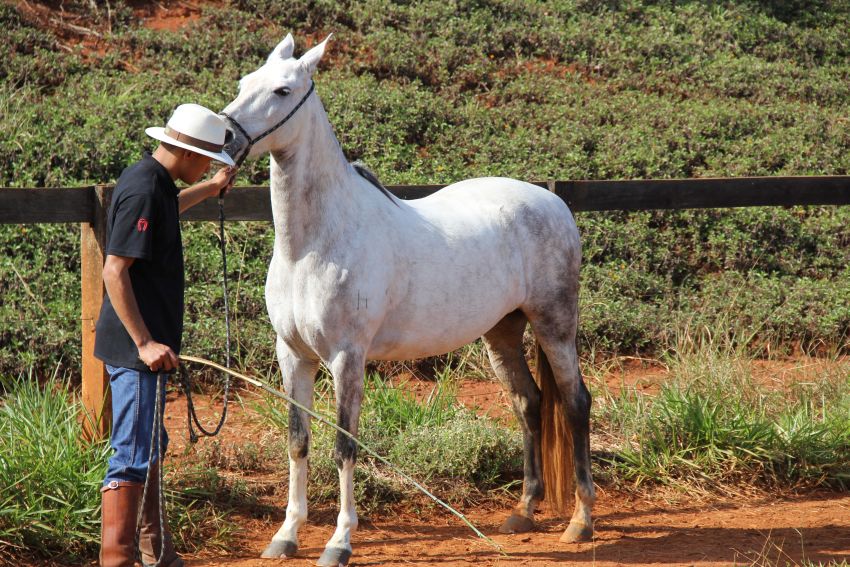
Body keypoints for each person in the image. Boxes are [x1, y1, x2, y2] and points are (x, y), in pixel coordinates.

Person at [94, 103, 236, 567]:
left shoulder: (155, 182)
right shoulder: (143, 189)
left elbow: (168, 210)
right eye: (208, 161)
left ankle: (156, 552)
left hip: (147, 349)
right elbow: (114, 271)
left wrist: (209, 189)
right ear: (189, 154)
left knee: (150, 444)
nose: (208, 167)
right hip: (136, 351)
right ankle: (119, 558)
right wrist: (144, 343)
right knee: (133, 453)